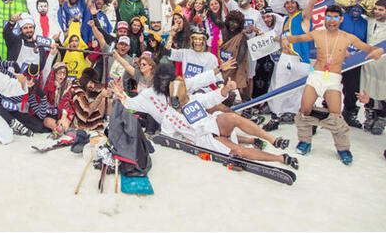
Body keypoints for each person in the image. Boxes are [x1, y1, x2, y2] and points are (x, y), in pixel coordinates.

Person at [110, 63, 298, 169]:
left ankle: (273, 140)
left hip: (213, 123)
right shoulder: (157, 104)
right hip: (204, 137)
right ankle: (279, 158)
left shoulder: (191, 97)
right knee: (237, 150)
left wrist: (224, 85)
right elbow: (167, 135)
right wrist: (121, 95)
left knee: (232, 117)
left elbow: (207, 92)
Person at [285, 5, 384, 165]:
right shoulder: (318, 33)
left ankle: (343, 148)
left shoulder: (348, 37)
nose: (331, 21)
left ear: (341, 19)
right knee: (305, 110)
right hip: (316, 76)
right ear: (324, 18)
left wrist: (377, 51)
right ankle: (305, 141)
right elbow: (297, 38)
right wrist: (284, 39)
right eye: (329, 17)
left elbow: (369, 48)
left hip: (333, 78)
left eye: (335, 17)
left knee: (335, 114)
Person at [264, 0, 317, 131]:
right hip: (284, 58)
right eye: (287, 3)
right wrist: (278, 39)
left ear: (297, 4)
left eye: (292, 2)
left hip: (299, 59)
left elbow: (311, 3)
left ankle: (303, 116)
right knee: (279, 86)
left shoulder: (303, 17)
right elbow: (285, 38)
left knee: (302, 89)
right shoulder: (286, 19)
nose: (289, 5)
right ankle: (276, 116)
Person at [337, 2, 368, 129]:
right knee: (331, 83)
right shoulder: (341, 18)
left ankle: (349, 112)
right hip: (337, 56)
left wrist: (360, 52)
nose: (356, 10)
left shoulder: (364, 23)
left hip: (355, 60)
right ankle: (327, 110)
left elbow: (365, 41)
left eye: (360, 8)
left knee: (352, 86)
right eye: (354, 7)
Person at [360, 0, 386, 134]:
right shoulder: (369, 21)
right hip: (368, 64)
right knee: (368, 90)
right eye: (375, 9)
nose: (377, 12)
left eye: (381, 10)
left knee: (383, 92)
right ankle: (370, 114)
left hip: (383, 66)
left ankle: (381, 118)